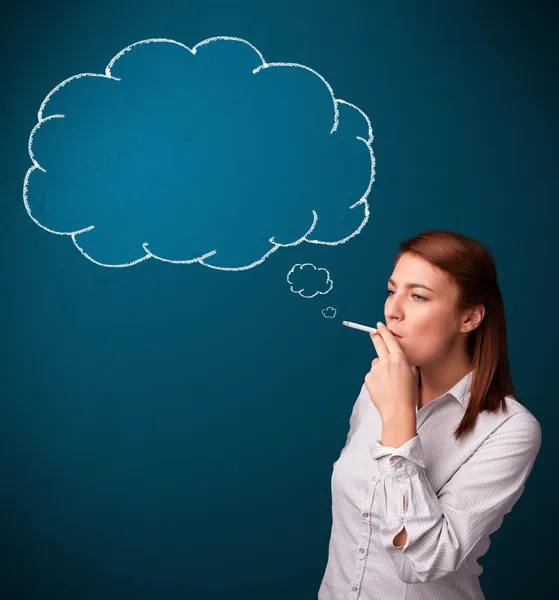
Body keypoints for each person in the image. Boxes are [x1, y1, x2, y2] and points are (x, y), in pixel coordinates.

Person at [318, 230, 542, 600]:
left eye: (418, 296)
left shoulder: (510, 429)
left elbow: (422, 562)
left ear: (469, 318)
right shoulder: (375, 389)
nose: (393, 310)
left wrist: (400, 417)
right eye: (392, 291)